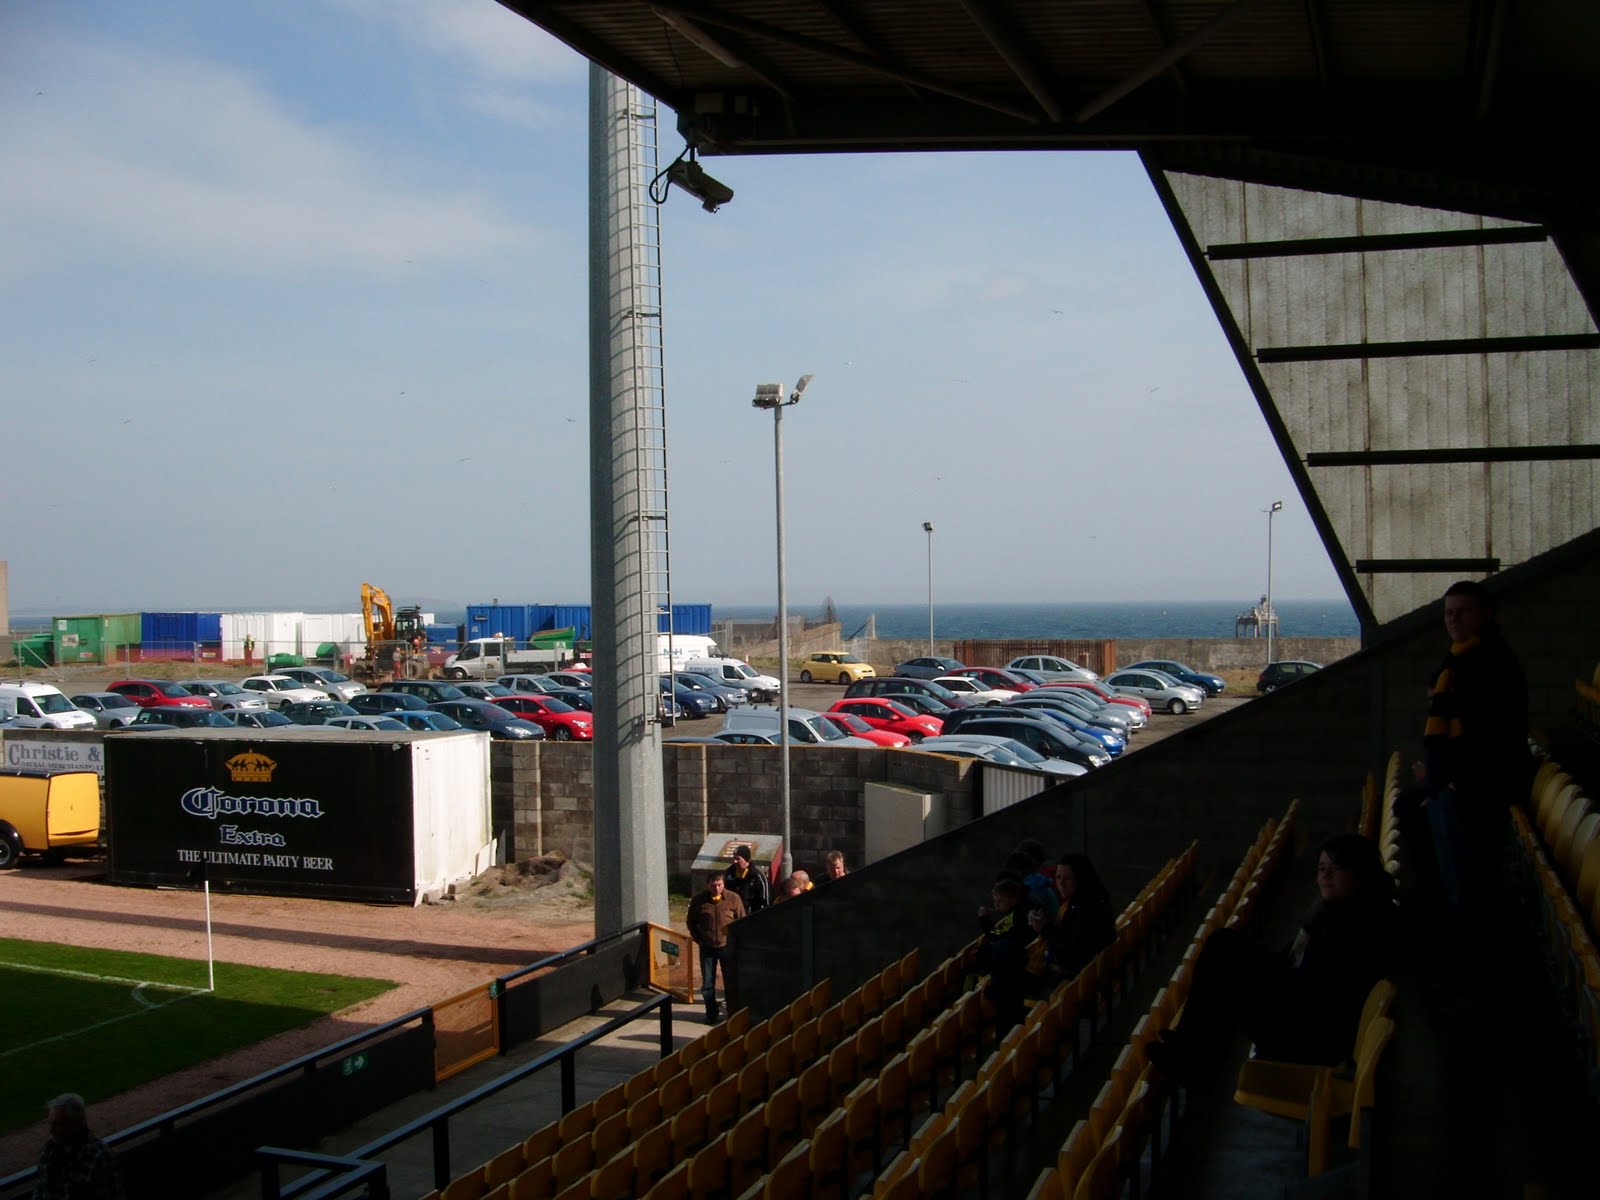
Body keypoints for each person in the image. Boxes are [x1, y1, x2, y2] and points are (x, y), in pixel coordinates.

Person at [1147, 834, 1397, 1082]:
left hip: (1312, 1040)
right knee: (1227, 949)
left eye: (1337, 869)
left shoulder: (1357, 925)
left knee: (1226, 948)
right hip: (1305, 1019)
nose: (1325, 876)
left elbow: (1319, 991)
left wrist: (1259, 976)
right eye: (1322, 868)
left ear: (1361, 874)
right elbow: (1292, 964)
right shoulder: (1333, 912)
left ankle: (1193, 1056)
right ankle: (1191, 1045)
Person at [1416, 580, 1531, 948]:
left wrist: (1455, 781)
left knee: (1470, 890)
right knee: (1458, 887)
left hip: (1472, 793)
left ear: (1485, 614)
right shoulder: (1462, 658)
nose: (1453, 619)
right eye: (1448, 612)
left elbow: (1492, 733)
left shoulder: (1490, 662)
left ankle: (1477, 974)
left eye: (1462, 611)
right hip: (1454, 788)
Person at [1028, 852, 1115, 983]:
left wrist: (1044, 928)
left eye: (1067, 878)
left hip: (1074, 979)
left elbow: (1071, 957)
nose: (1061, 884)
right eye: (1058, 877)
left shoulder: (1087, 909)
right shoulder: (1087, 898)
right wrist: (1045, 924)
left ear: (1080, 879)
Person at [967, 877, 1034, 1033]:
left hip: (1009, 969)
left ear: (1012, 899)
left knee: (970, 974)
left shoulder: (1015, 917)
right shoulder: (1018, 913)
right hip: (1011, 962)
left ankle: (967, 1005)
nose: (996, 905)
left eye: (1000, 902)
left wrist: (984, 919)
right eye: (995, 901)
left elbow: (995, 936)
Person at [33, 1093, 121, 1200]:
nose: (51, 1130)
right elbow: (40, 1191)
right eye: (50, 1123)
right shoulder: (48, 1151)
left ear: (77, 1124)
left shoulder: (100, 1157)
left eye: (58, 1124)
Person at [687, 872, 746, 1022]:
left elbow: (742, 921)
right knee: (708, 983)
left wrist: (736, 941)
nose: (717, 888)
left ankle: (732, 1014)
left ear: (723, 884)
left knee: (730, 981)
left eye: (719, 884)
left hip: (727, 946)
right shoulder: (699, 901)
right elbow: (691, 922)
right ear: (708, 885)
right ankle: (711, 1014)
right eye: (713, 885)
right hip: (707, 946)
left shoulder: (733, 899)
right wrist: (699, 939)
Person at [723, 845, 769, 914]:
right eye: (734, 858)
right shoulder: (729, 873)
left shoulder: (757, 875)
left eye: (738, 859)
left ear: (746, 859)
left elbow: (765, 900)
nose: (735, 861)